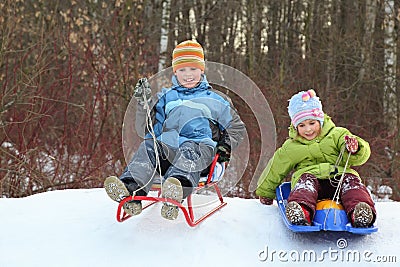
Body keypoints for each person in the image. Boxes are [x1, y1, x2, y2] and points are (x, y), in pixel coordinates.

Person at [104, 40, 245, 220]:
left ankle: (176, 189)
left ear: (202, 70)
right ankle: (130, 190)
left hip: (199, 149)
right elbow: (147, 129)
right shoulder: (165, 97)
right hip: (168, 149)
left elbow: (236, 128)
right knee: (149, 147)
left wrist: (225, 147)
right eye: (182, 70)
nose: (188, 75)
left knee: (189, 150)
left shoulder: (216, 100)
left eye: (193, 69)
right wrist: (143, 105)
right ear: (175, 72)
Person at [256, 89, 376, 228]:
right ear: (295, 126)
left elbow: (360, 155)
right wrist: (266, 192)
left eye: (312, 123)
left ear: (321, 120)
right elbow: (276, 167)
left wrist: (355, 148)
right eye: (302, 125)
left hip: (338, 177)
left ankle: (360, 212)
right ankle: (301, 211)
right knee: (304, 184)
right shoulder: (291, 146)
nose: (308, 130)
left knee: (352, 184)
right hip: (311, 181)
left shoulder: (337, 134)